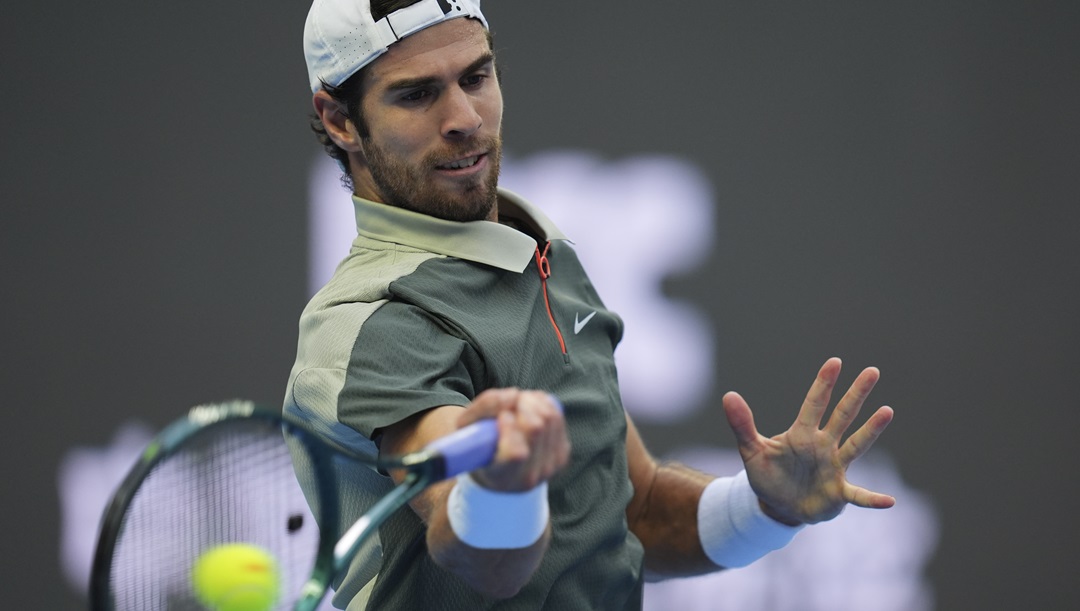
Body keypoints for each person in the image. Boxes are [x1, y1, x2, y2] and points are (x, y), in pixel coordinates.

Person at [283, 1, 896, 609]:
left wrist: (764, 508)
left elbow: (639, 512)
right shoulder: (374, 320)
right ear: (340, 120)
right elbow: (480, 558)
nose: (464, 117)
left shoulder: (541, 254)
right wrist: (501, 489)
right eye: (417, 95)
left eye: (476, 77)